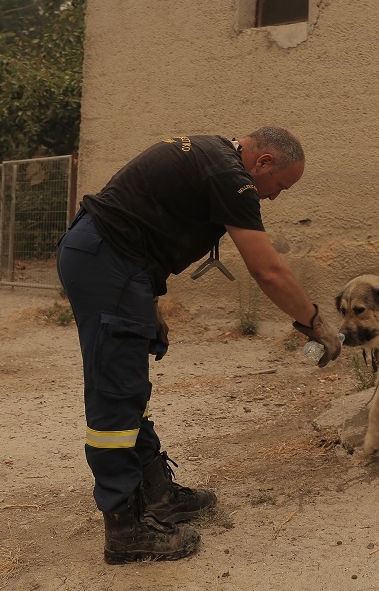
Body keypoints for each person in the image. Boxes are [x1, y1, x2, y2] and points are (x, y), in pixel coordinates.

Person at [56, 126, 342, 564]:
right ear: (263, 162)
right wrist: (314, 323)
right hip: (108, 261)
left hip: (115, 260)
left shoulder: (211, 155)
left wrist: (147, 298)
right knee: (115, 392)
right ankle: (124, 528)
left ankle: (157, 495)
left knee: (130, 386)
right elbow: (267, 270)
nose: (273, 197)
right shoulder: (232, 178)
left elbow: (142, 214)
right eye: (279, 186)